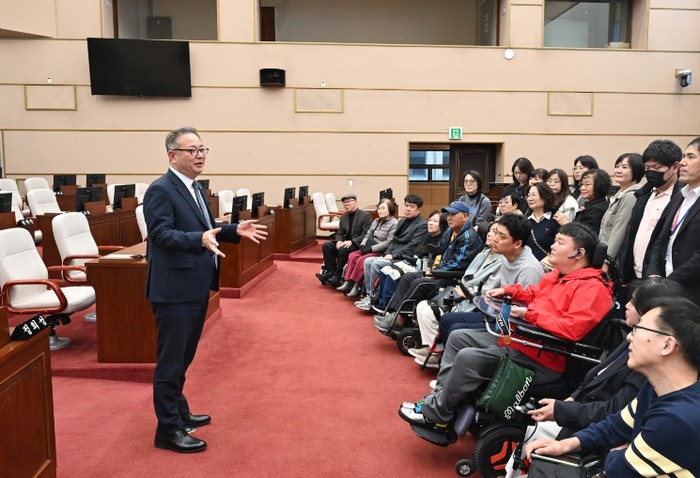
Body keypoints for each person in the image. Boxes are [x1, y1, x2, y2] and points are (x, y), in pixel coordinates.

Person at [399, 223, 613, 429]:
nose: (552, 246)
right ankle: (438, 400)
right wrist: (509, 291)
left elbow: (572, 328)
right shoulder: (558, 276)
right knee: (457, 337)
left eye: (560, 242)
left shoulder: (593, 288)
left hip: (545, 358)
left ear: (578, 253)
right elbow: (534, 294)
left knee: (468, 357)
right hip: (523, 341)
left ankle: (435, 414)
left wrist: (529, 315)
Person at [144, 127, 268, 453]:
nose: (199, 155)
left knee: (183, 358)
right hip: (174, 290)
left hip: (195, 286)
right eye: (192, 150)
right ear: (172, 155)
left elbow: (206, 229)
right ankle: (167, 429)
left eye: (202, 149)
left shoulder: (195, 187)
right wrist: (198, 239)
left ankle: (178, 411)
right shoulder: (161, 189)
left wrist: (233, 230)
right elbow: (160, 234)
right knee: (170, 362)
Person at [504, 277, 685, 478]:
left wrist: (565, 413)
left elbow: (620, 454)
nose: (625, 306)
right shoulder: (646, 373)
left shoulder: (674, 411)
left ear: (667, 343)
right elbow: (616, 422)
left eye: (641, 324)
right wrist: (569, 420)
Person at [409, 214, 543, 368]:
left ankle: (451, 367)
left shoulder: (529, 270)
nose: (494, 238)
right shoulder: (507, 256)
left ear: (517, 243)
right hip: (494, 312)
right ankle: (446, 364)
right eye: (495, 232)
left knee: (454, 328)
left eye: (501, 236)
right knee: (447, 320)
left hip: (507, 325)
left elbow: (524, 314)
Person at [373, 200, 483, 333]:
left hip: (451, 279)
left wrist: (435, 273)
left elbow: (458, 264)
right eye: (448, 215)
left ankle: (399, 320)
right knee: (408, 277)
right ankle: (393, 313)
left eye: (453, 215)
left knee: (419, 283)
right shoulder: (450, 231)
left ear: (465, 216)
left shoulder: (468, 237)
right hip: (440, 272)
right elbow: (440, 248)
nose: (449, 218)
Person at [617, 139, 682, 285]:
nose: (651, 172)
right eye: (647, 167)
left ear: (675, 167)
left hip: (659, 280)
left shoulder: (680, 199)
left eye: (656, 167)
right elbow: (630, 235)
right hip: (634, 276)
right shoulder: (644, 195)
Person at [647, 136, 700, 305]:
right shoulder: (679, 196)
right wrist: (654, 273)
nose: (683, 162)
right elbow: (661, 238)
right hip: (666, 289)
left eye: (691, 157)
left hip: (691, 294)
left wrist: (670, 281)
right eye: (683, 156)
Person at [355, 194, 427, 310]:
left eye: (412, 206)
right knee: (368, 261)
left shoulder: (422, 225)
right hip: (392, 255)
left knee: (376, 263)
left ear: (419, 209)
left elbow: (412, 246)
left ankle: (374, 297)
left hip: (405, 258)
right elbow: (393, 240)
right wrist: (387, 253)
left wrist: (393, 255)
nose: (408, 209)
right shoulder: (401, 221)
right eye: (406, 205)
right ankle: (369, 295)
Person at [365, 209, 446, 305]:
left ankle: (388, 306)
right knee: (385, 271)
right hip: (411, 261)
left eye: (435, 221)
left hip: (422, 267)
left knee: (393, 274)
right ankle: (379, 301)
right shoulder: (426, 236)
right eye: (430, 220)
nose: (430, 223)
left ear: (442, 225)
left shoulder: (441, 241)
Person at [337, 198, 398, 296]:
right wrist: (362, 245)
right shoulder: (376, 220)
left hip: (380, 250)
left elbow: (388, 242)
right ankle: (348, 281)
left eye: (383, 208)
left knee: (362, 259)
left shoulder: (394, 223)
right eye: (379, 208)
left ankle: (356, 284)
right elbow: (367, 234)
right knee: (353, 255)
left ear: (390, 209)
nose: (380, 211)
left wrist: (371, 249)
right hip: (369, 245)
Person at [316, 193, 372, 287]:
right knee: (327, 246)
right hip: (344, 242)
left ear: (356, 202)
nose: (347, 204)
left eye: (349, 201)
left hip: (357, 243)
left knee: (343, 250)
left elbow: (366, 234)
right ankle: (331, 273)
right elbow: (340, 233)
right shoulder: (343, 217)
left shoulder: (365, 216)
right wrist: (339, 241)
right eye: (345, 202)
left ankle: (338, 276)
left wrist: (352, 241)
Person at [598, 153, 644, 268]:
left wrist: (607, 261)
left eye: (624, 167)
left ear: (636, 171)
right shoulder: (620, 194)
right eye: (617, 166)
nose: (618, 170)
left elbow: (619, 231)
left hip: (614, 260)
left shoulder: (631, 196)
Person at [557, 168, 610, 236]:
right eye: (582, 184)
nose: (582, 188)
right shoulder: (591, 204)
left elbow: (587, 235)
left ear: (599, 186)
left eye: (587, 184)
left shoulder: (597, 209)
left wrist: (566, 223)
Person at [524, 183, 560, 263]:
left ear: (545, 196)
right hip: (526, 265)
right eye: (528, 196)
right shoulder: (525, 221)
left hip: (548, 265)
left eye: (534, 195)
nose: (530, 198)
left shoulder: (556, 220)